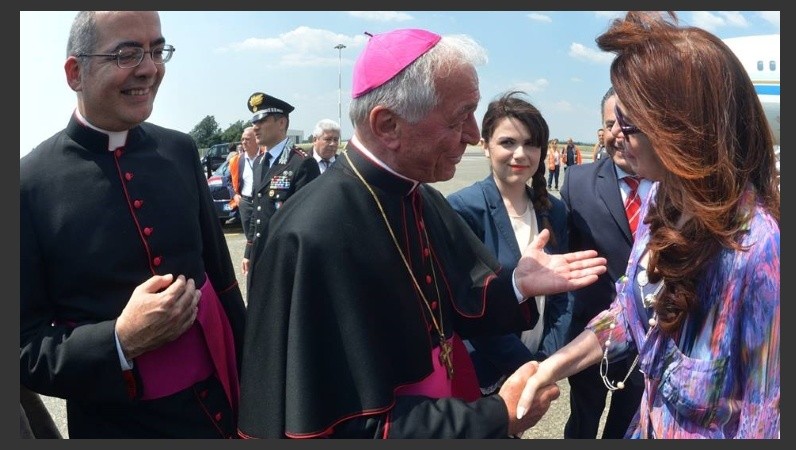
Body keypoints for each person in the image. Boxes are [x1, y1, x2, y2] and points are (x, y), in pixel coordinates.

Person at [236, 28, 607, 439]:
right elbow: (346, 424)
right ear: (389, 125)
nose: (471, 133)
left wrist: (517, 282)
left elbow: (456, 298)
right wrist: (498, 415)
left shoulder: (421, 196)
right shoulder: (311, 235)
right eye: (458, 117)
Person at [518, 11, 780, 439]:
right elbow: (633, 312)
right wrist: (552, 366)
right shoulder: (662, 200)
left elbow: (764, 419)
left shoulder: (758, 252)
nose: (615, 135)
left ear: (684, 130)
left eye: (630, 122)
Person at [20, 11, 246, 438]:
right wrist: (119, 341)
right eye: (127, 53)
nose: (149, 68)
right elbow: (23, 348)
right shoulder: (27, 185)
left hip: (221, 408)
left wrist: (259, 388)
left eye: (157, 50)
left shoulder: (179, 149)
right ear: (75, 72)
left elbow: (225, 281)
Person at [446, 91, 571, 396]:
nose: (520, 154)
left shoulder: (553, 211)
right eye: (507, 142)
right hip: (484, 373)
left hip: (539, 364)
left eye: (531, 143)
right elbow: (467, 307)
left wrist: (546, 362)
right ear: (485, 145)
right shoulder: (463, 209)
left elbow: (565, 296)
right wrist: (526, 367)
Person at [559, 86, 652, 439]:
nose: (617, 133)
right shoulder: (577, 182)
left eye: (627, 123)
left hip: (646, 340)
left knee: (626, 423)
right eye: (610, 123)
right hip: (591, 332)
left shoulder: (669, 185)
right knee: (582, 420)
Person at [241, 92, 320, 281]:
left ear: (282, 123)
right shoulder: (260, 161)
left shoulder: (300, 163)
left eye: (261, 121)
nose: (255, 128)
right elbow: (256, 211)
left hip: (286, 258)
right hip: (261, 253)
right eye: (254, 122)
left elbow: (307, 221)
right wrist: (249, 250)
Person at [228, 126, 262, 237]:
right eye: (242, 139)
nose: (243, 142)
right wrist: (235, 196)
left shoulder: (265, 157)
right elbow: (228, 181)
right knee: (249, 236)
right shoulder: (236, 160)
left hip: (262, 201)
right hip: (245, 203)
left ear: (256, 139)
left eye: (247, 139)